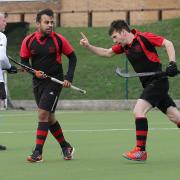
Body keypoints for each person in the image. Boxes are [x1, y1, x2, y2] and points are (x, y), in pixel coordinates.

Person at [80, 20, 180, 161]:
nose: (115, 41)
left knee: (139, 111)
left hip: (158, 82)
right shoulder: (124, 47)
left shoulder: (143, 37)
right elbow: (106, 53)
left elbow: (167, 43)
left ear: (123, 32)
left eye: (115, 37)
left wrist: (172, 63)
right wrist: (88, 46)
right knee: (175, 117)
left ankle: (140, 151)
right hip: (149, 85)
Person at [20, 9, 76, 162]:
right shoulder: (28, 41)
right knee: (49, 118)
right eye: (46, 22)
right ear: (38, 23)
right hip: (38, 83)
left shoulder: (59, 39)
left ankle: (37, 152)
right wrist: (34, 72)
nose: (50, 25)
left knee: (42, 114)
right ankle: (66, 147)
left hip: (54, 83)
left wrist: (68, 78)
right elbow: (24, 62)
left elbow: (72, 57)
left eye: (52, 22)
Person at [0, 12, 17, 150]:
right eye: (4, 20)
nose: (6, 23)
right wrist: (9, 67)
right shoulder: (1, 36)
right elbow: (2, 58)